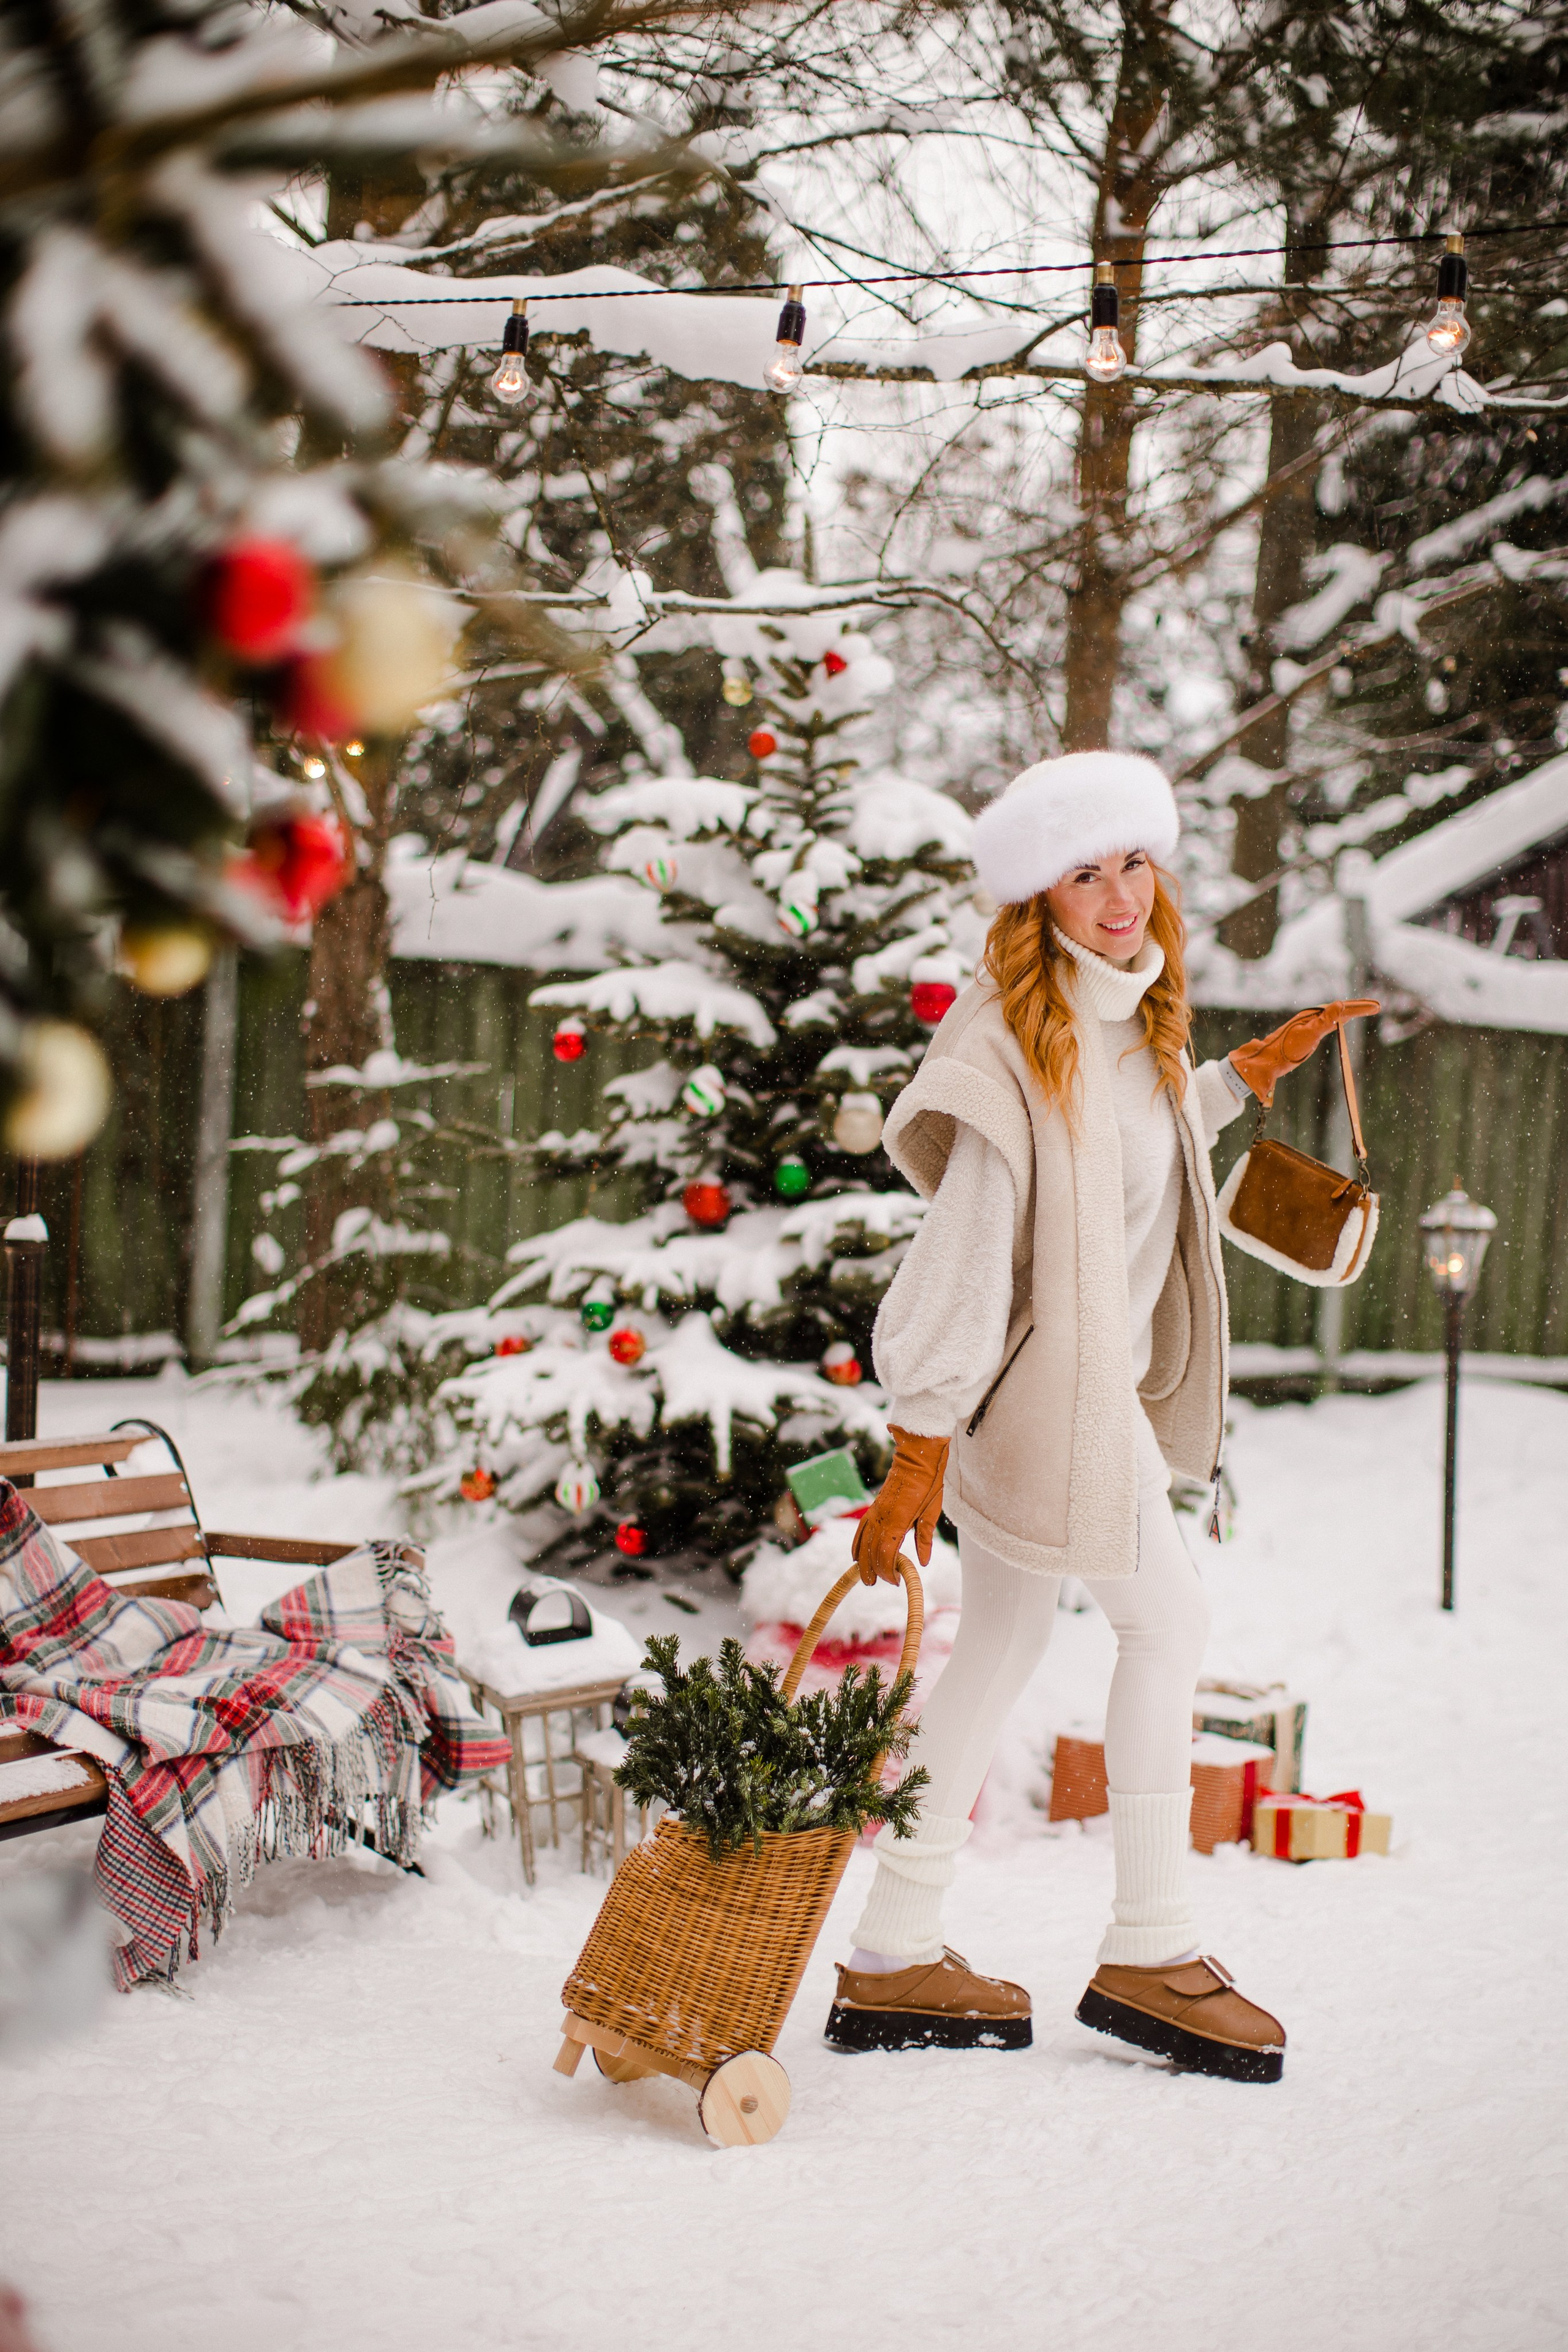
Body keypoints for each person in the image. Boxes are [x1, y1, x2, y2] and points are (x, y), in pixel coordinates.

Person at [824, 750, 1374, 2083]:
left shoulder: (1129, 1025)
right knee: (1169, 1621)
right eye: (1084, 873)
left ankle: (892, 1950)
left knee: (998, 1651)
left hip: (1070, 1394)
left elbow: (1130, 1136)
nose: (1118, 894)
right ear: (1036, 901)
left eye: (1132, 862)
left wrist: (1241, 1074)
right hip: (1044, 1402)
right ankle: (1150, 1942)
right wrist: (913, 1447)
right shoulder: (1008, 1048)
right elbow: (957, 1257)